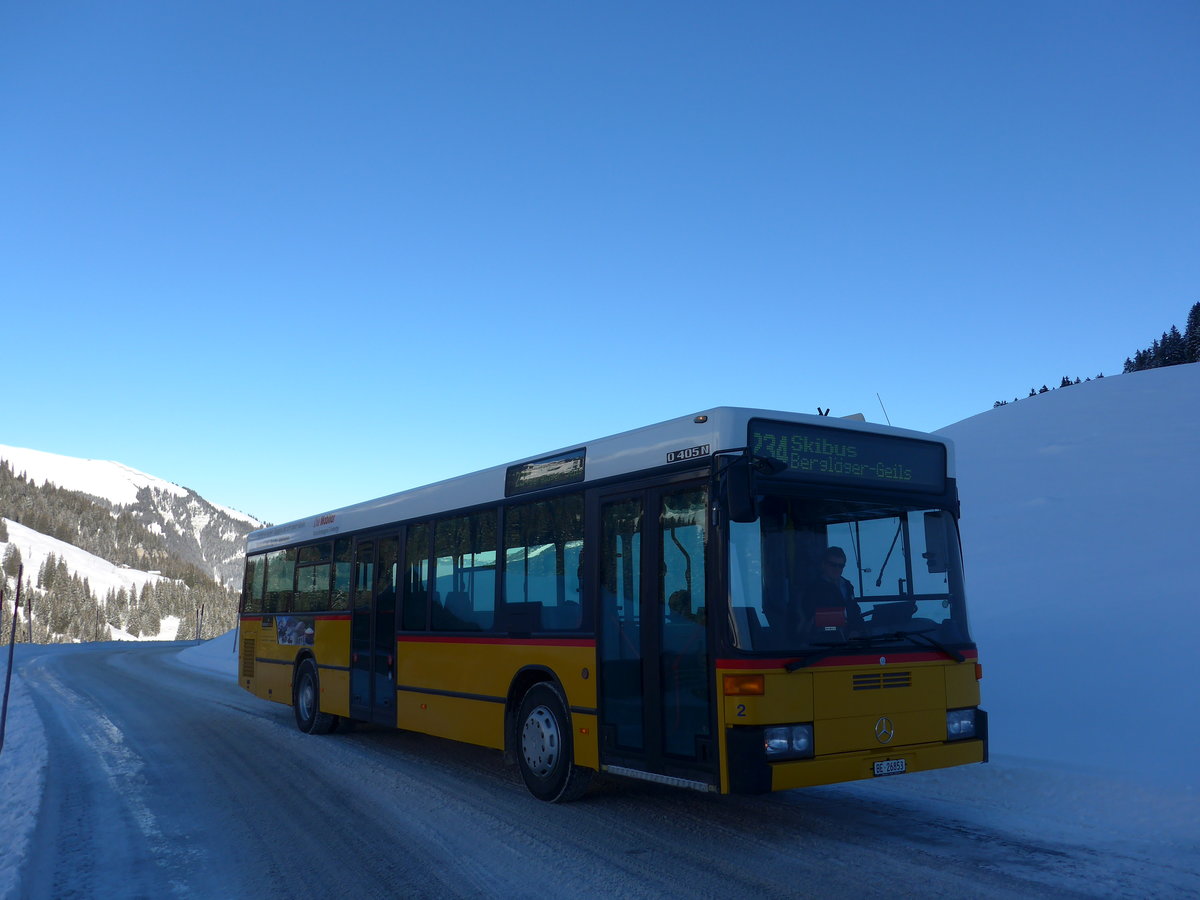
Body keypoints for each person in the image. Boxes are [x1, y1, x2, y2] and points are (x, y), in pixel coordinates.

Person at [803, 546, 864, 634]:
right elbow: (810, 616)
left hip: (851, 638)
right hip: (826, 638)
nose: (837, 569)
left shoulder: (847, 586)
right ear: (823, 564)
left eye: (841, 566)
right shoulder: (813, 589)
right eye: (833, 565)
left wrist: (858, 630)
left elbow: (855, 611)